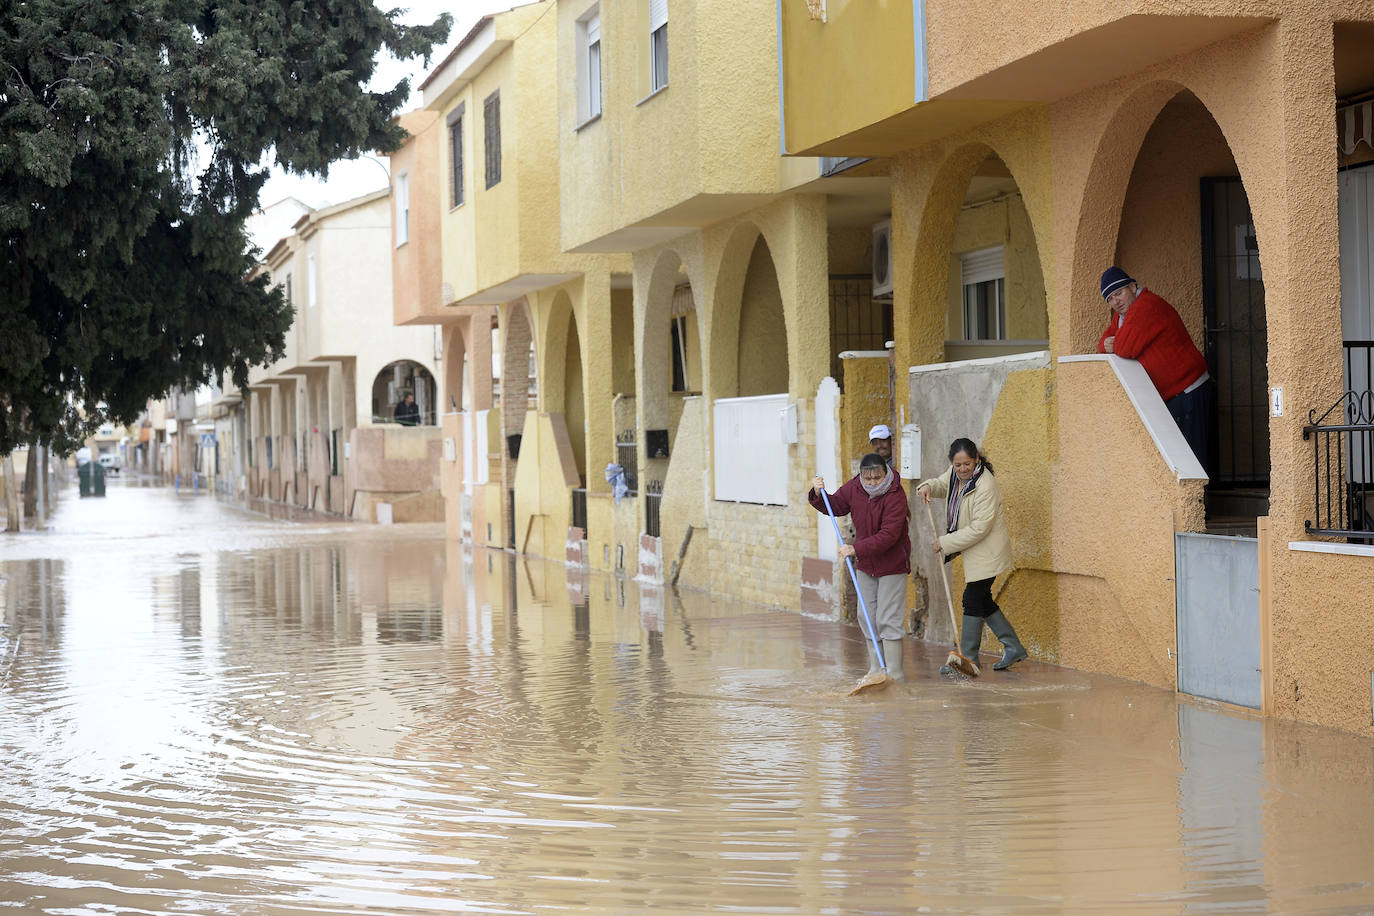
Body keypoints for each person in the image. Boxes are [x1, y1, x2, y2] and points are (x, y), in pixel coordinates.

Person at [917, 437, 1027, 673]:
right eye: (958, 465)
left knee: (972, 600)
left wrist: (944, 542)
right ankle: (1013, 647)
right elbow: (942, 484)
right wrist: (927, 486)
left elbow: (980, 528)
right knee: (982, 600)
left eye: (967, 464)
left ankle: (968, 660)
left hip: (988, 552)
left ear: (976, 460)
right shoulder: (955, 474)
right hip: (975, 551)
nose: (963, 469)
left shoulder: (986, 485)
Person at [809, 453, 911, 681]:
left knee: (888, 618)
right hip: (867, 565)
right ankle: (876, 669)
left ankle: (895, 674)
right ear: (861, 476)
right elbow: (835, 505)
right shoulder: (855, 487)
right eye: (869, 478)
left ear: (885, 472)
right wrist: (818, 493)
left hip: (892, 564)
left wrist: (856, 549)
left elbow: (890, 535)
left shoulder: (895, 494)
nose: (873, 482)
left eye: (877, 477)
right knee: (866, 616)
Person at [1096, 266, 1211, 464]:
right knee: (1185, 460)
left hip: (1188, 391)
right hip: (1176, 395)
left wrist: (1115, 342)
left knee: (1194, 460)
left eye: (1118, 293)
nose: (1116, 302)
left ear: (1132, 287)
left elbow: (1124, 347)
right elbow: (1103, 343)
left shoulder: (1146, 306)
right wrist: (1110, 343)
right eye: (1110, 299)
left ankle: (1203, 497)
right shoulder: (1123, 315)